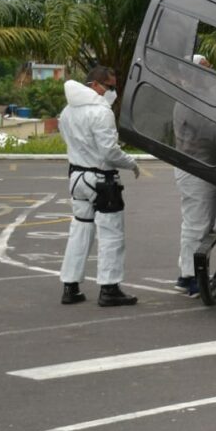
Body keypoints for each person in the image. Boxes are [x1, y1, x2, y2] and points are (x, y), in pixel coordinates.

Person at [58, 65, 140, 307]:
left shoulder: (67, 111)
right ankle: (109, 288)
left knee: (80, 230)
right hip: (102, 180)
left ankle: (70, 286)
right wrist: (131, 163)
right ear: (94, 85)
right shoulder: (101, 112)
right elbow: (109, 152)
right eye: (109, 86)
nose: (112, 92)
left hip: (77, 177)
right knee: (111, 233)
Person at [172, 36, 216, 297]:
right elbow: (215, 133)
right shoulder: (192, 101)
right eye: (205, 68)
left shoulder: (203, 96)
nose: (211, 71)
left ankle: (188, 272)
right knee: (196, 225)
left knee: (201, 224)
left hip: (206, 169)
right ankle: (191, 276)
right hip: (196, 171)